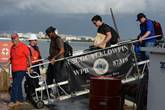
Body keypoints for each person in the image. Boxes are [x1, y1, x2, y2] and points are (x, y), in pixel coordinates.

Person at [3, 33, 32, 108]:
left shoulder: (23, 46)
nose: (14, 40)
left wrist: (30, 67)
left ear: (18, 38)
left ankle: (13, 101)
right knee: (18, 85)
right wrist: (6, 64)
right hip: (14, 69)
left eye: (15, 38)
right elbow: (11, 58)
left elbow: (28, 57)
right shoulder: (12, 47)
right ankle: (20, 100)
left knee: (15, 85)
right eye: (12, 38)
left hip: (22, 69)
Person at [45, 26, 68, 96]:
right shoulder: (52, 39)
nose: (48, 36)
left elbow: (62, 51)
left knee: (58, 77)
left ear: (52, 33)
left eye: (48, 34)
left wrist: (54, 58)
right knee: (49, 75)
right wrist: (50, 56)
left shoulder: (58, 39)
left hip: (58, 61)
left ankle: (61, 91)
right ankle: (48, 91)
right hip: (53, 61)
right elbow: (54, 50)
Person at [24, 34, 43, 101]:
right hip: (30, 67)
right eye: (35, 40)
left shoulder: (36, 47)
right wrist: (29, 68)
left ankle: (36, 95)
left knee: (36, 81)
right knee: (30, 82)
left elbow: (39, 56)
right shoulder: (27, 48)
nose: (36, 41)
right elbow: (26, 59)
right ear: (31, 40)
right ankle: (29, 96)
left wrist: (42, 64)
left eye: (36, 40)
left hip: (36, 66)